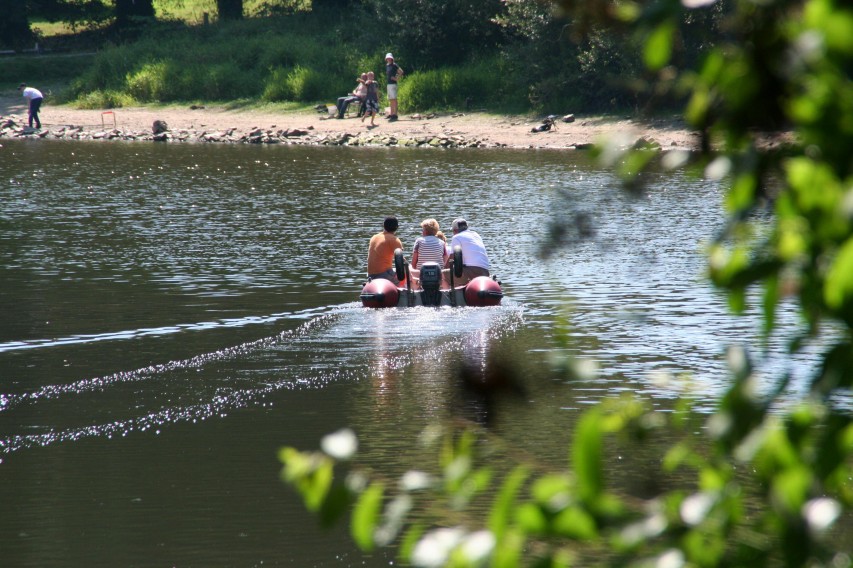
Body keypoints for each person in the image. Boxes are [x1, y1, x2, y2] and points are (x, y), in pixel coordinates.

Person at [449, 218, 491, 285]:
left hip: (472, 271)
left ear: (455, 230)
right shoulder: (476, 235)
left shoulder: (456, 237)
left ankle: (449, 294)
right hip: (485, 271)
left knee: (443, 275)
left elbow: (451, 259)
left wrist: (442, 270)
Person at [410, 218, 448, 287]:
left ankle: (415, 290)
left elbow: (413, 263)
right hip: (438, 274)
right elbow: (446, 262)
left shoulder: (419, 241)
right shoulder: (442, 243)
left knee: (409, 268)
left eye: (422, 229)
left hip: (421, 274)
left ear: (425, 231)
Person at [367, 216, 404, 284]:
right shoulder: (394, 240)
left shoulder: (374, 237)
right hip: (383, 275)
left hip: (370, 275)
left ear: (383, 225)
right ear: (397, 227)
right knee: (406, 278)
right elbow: (401, 260)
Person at [384, 53, 403, 122]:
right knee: (391, 99)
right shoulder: (387, 65)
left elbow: (401, 72)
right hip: (389, 84)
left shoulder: (394, 65)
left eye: (389, 58)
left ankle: (395, 114)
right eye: (387, 58)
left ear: (392, 58)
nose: (388, 59)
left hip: (393, 84)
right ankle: (392, 114)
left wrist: (396, 78)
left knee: (394, 99)